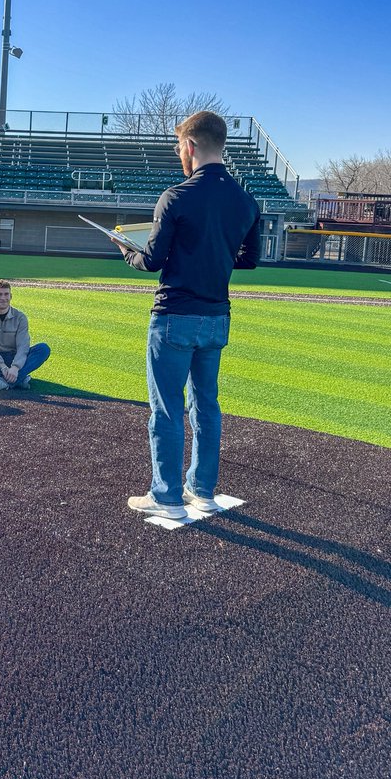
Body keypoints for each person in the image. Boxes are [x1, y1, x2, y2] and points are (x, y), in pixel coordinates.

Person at [116, 111, 260, 520]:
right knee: (207, 406)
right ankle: (202, 490)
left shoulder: (175, 196)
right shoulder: (246, 200)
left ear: (191, 145)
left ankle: (166, 496)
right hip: (216, 317)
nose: (180, 151)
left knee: (166, 409)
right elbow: (249, 259)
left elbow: (152, 260)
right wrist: (214, 255)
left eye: (180, 145)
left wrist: (125, 250)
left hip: (175, 315)